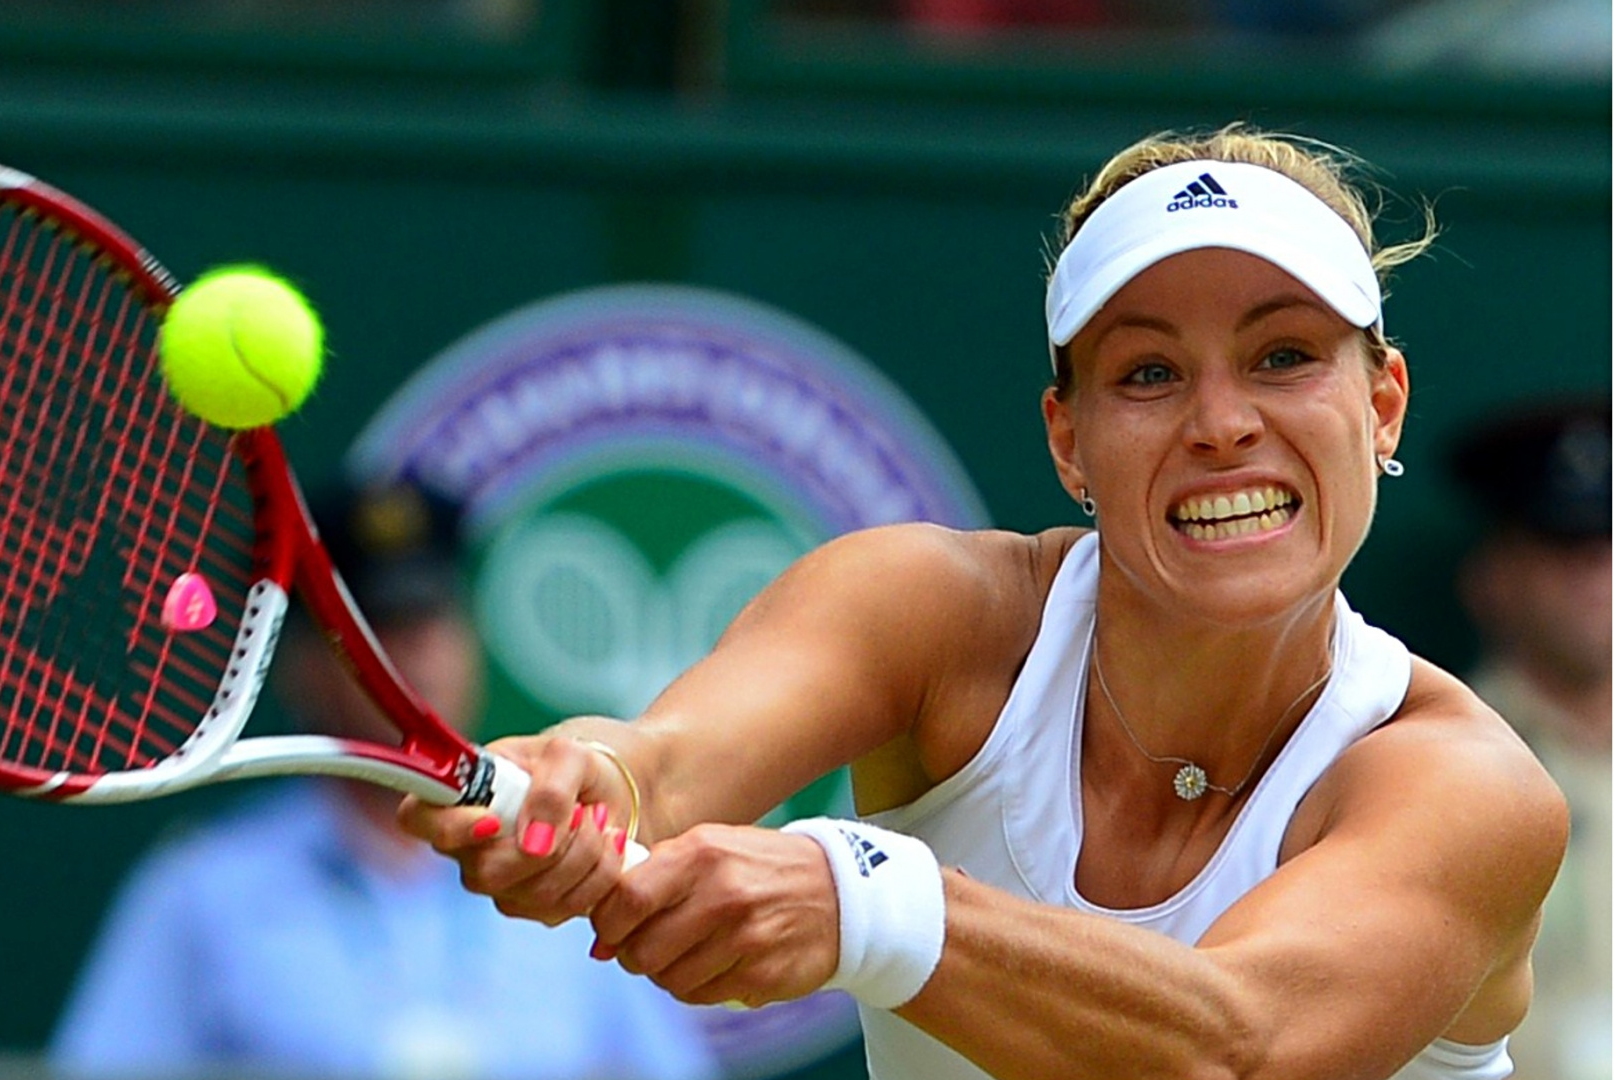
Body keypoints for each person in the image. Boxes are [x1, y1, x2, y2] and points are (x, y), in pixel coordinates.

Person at [399, 123, 1570, 1080]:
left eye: (1283, 358)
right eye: (1149, 374)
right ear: (1071, 441)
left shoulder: (1465, 788)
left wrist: (871, 905)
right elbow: (662, 762)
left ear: (1383, 406)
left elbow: (1238, 1045)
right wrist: (590, 781)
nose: (1222, 424)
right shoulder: (932, 612)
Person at [51, 476, 720, 1080]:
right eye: (381, 627)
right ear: (305, 665)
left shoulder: (579, 872)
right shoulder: (201, 891)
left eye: (431, 618)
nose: (417, 654)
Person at [1450, 399, 1611, 1080]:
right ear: (1492, 577)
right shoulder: (1440, 762)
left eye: (1607, 548)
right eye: (1561, 548)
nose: (1593, 580)